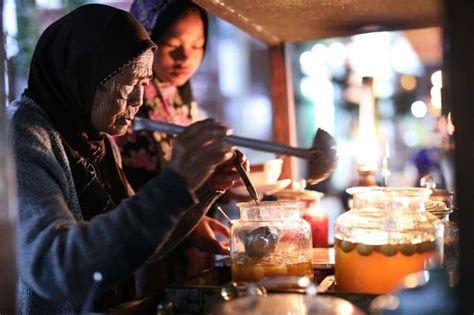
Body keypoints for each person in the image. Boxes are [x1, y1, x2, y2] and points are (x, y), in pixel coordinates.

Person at [9, 4, 244, 314]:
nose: (138, 101)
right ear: (85, 75)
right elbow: (55, 268)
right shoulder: (22, 139)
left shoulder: (96, 139)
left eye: (144, 84)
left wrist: (202, 187)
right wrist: (176, 182)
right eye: (130, 84)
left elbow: (140, 245)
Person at [115, 0, 231, 294]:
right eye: (171, 44)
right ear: (146, 39)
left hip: (180, 246)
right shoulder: (123, 99)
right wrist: (187, 222)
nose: (185, 57)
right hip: (139, 251)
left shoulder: (181, 98)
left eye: (197, 45)